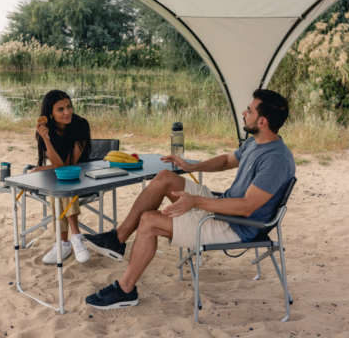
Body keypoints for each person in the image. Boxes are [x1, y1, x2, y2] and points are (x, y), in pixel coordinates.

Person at [83, 89, 295, 309]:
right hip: (223, 205)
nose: (243, 112)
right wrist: (192, 166)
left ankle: (125, 290)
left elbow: (246, 207)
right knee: (165, 177)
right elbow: (226, 161)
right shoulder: (256, 142)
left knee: (149, 221)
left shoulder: (275, 160)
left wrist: (196, 201)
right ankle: (118, 239)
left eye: (249, 110)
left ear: (262, 121)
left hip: (235, 225)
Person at [32, 89, 92, 264]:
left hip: (81, 175)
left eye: (69, 107)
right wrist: (47, 140)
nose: (67, 112)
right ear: (49, 113)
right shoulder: (44, 131)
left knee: (62, 183)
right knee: (58, 185)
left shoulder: (81, 124)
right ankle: (72, 240)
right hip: (61, 177)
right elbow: (60, 166)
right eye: (60, 109)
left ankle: (67, 241)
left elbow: (70, 164)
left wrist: (47, 169)